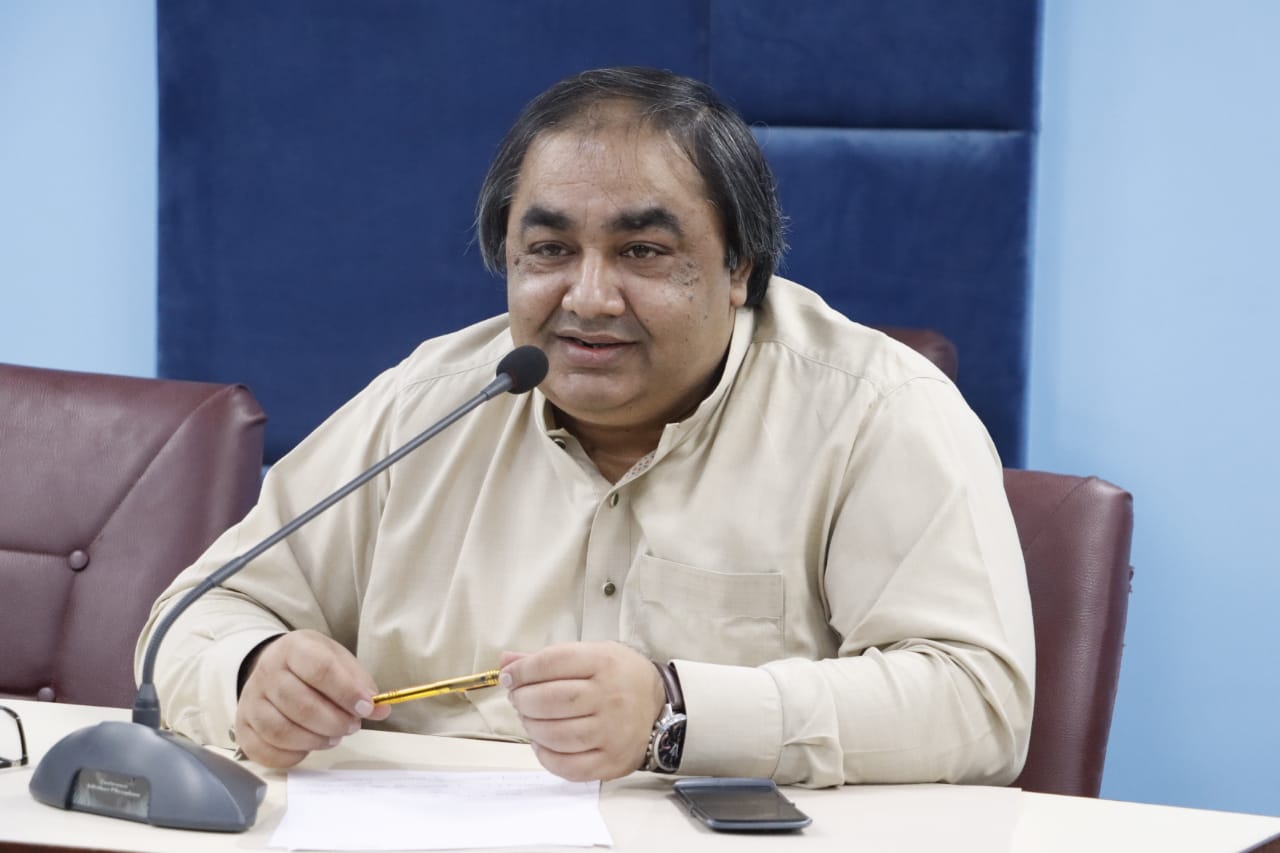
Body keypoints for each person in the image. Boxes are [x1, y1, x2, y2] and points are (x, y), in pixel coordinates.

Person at [138, 66, 1034, 787]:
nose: (590, 297)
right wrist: (252, 671)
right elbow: (191, 616)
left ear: (740, 270)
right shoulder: (429, 402)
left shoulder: (874, 409)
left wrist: (677, 711)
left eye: (643, 251)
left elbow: (979, 702)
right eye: (550, 251)